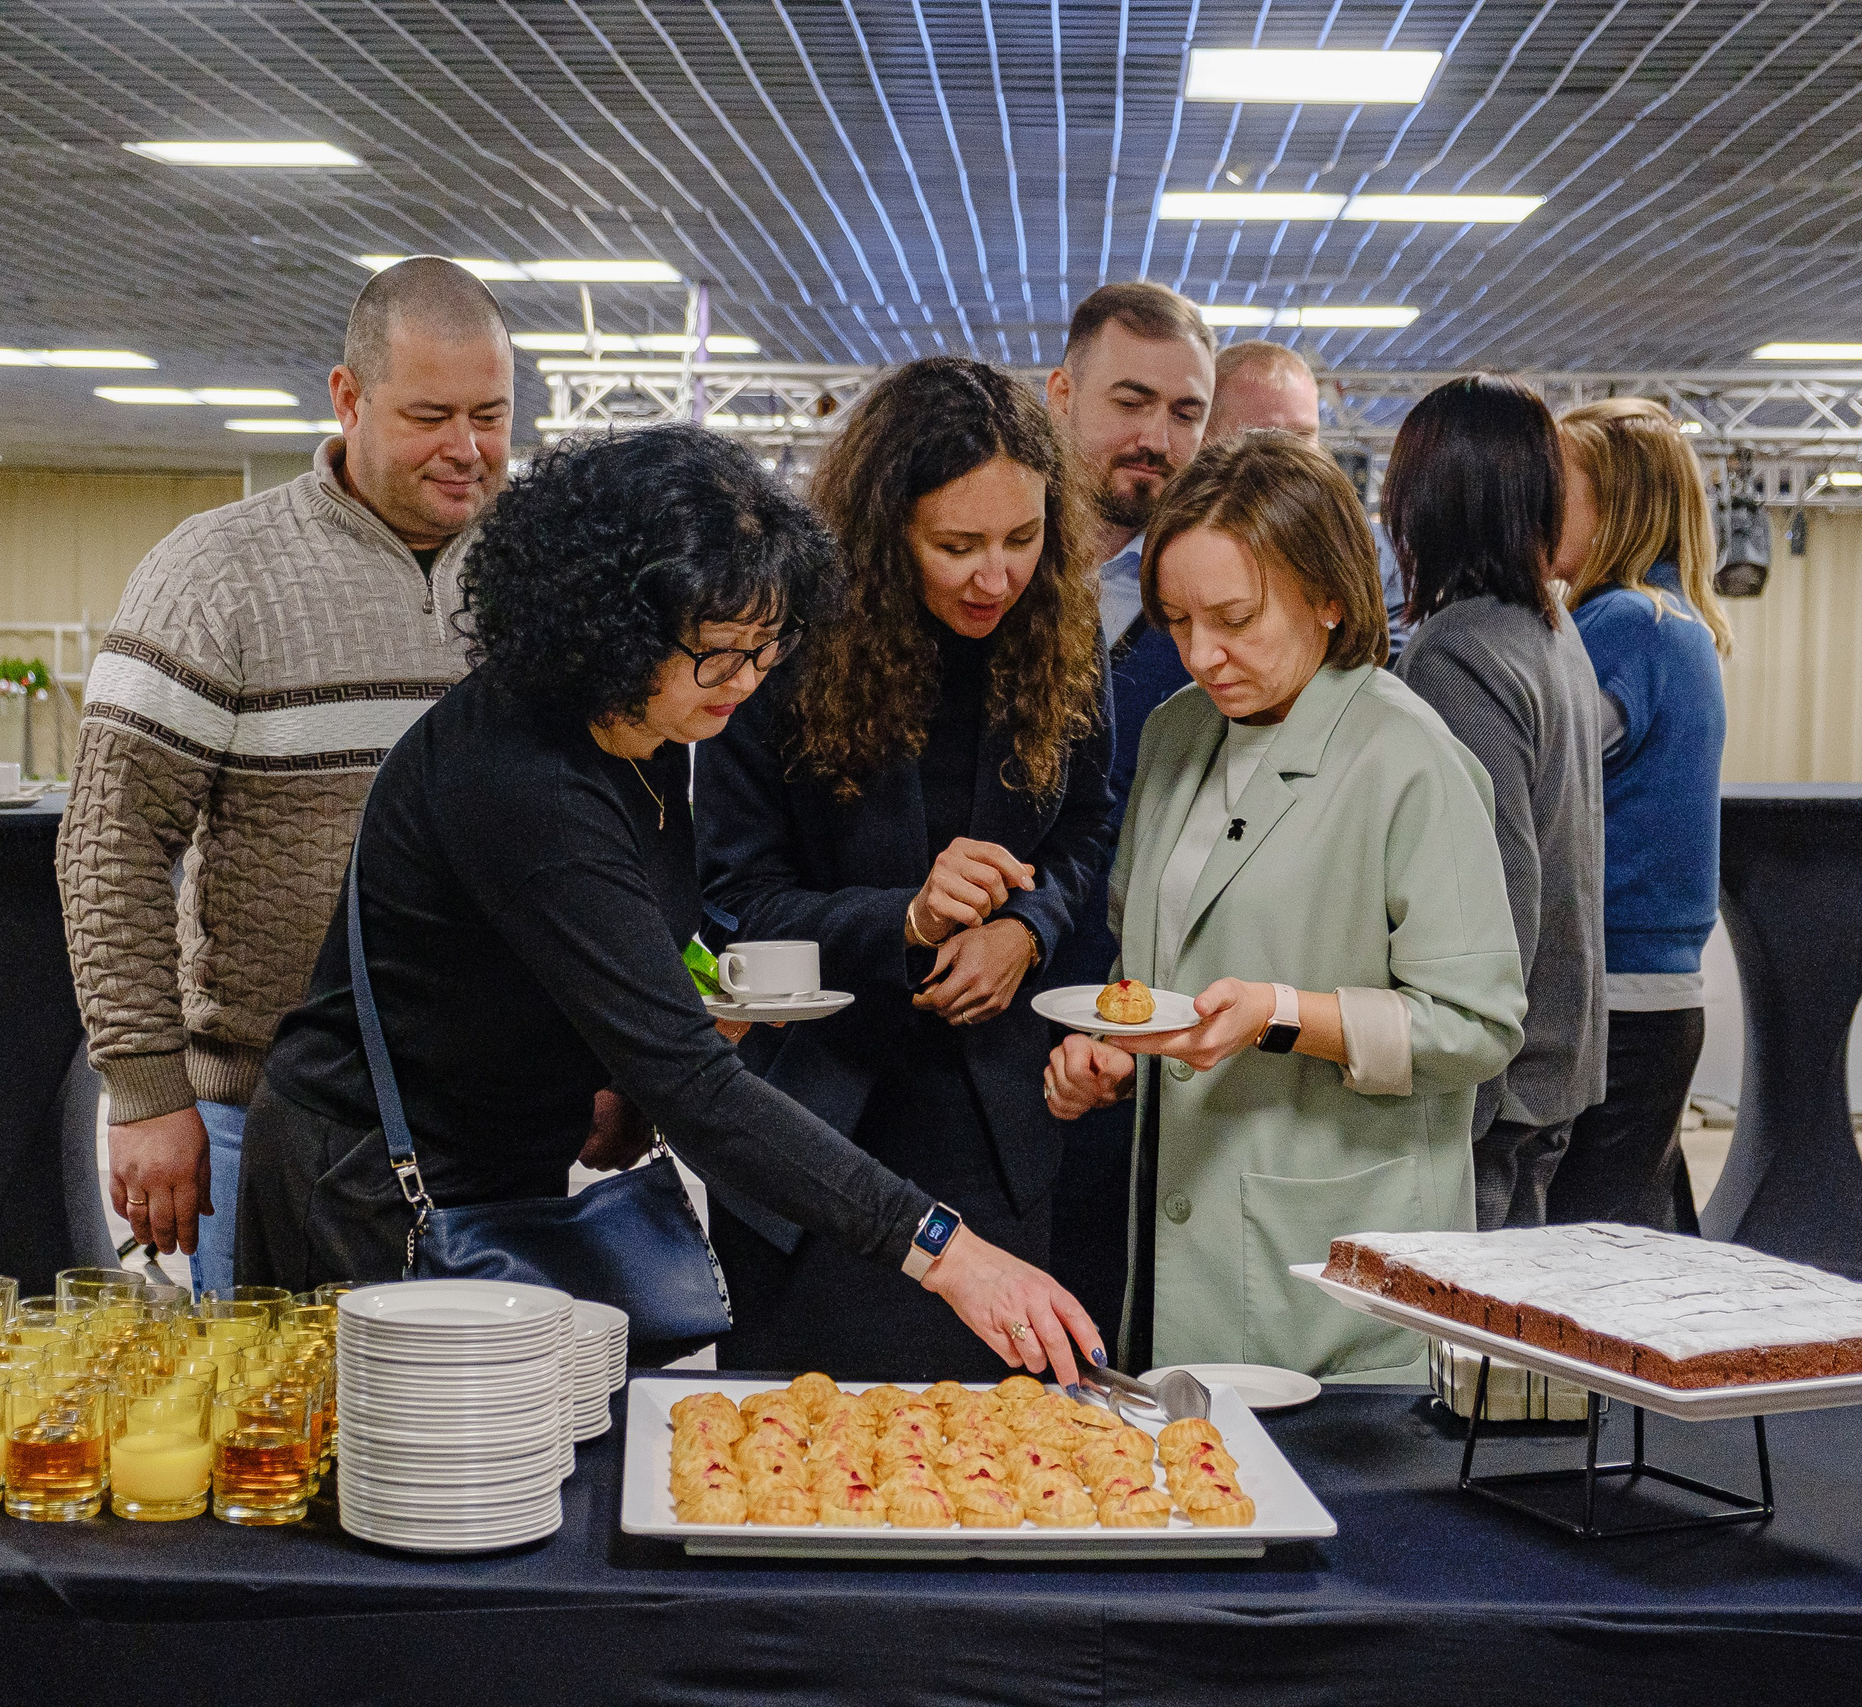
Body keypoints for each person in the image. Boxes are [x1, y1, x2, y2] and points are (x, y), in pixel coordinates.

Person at [235, 423, 1101, 1384]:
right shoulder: (520, 779)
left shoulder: (652, 720)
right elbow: (695, 1086)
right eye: (721, 655)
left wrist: (623, 1063)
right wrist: (945, 1249)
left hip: (497, 1157)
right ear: (611, 630)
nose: (748, 682)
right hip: (365, 1182)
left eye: (768, 649)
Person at [59, 257, 511, 1295]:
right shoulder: (214, 571)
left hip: (497, 1129)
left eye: (490, 415)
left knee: (487, 1446)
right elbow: (110, 843)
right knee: (278, 1436)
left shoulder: (541, 575)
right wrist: (145, 1092)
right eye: (430, 414)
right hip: (259, 1120)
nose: (467, 449)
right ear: (347, 398)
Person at [1042, 430, 1524, 1380]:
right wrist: (1110, 1046)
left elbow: (1477, 1024)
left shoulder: (1407, 755)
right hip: (1184, 1243)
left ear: (1330, 598)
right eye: (1177, 621)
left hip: (1329, 1263)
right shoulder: (1181, 734)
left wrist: (1284, 1017)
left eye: (1234, 617)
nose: (1201, 654)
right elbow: (1150, 967)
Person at [696, 357, 1114, 1380]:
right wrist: (909, 920)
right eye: (955, 545)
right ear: (884, 534)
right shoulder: (782, 648)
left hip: (1001, 1129)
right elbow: (735, 905)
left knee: (994, 1464)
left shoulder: (1061, 629)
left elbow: (1087, 831)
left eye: (1023, 539)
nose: (996, 577)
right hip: (818, 1126)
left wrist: (1028, 931)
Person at [1388, 375, 1608, 1231]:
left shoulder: (1456, 651)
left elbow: (1493, 888)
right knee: (1513, 1353)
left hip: (1495, 1088)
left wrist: (1459, 1096)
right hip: (1554, 1060)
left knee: (1465, 1353)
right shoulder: (1552, 625)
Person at [1040, 282, 1214, 1342]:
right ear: (1062, 394)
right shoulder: (998, 578)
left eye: (1186, 413)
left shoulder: (1213, 605)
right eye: (1131, 401)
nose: (1156, 438)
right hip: (989, 1013)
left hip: (1156, 1034)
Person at [1542, 398, 1733, 1231]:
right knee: (1642, 1225)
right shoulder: (1674, 621)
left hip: (1614, 990)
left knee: (1587, 1248)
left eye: (1558, 490)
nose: (1538, 508)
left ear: (1616, 507)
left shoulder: (1621, 623)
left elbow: (1539, 759)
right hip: (1655, 994)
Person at [1210, 340, 1416, 662]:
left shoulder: (1369, 551)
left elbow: (1390, 660)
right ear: (1207, 438)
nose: (1289, 457)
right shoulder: (1175, 545)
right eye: (1264, 437)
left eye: (1303, 437)